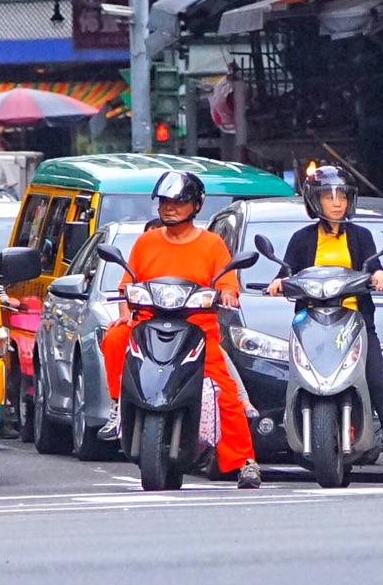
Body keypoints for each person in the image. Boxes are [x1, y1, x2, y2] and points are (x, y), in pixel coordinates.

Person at [98, 171, 261, 490]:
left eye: (179, 201)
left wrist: (226, 294)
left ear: (196, 206)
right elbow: (126, 285)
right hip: (148, 325)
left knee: (225, 389)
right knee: (115, 337)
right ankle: (119, 406)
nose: (170, 207)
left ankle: (245, 461)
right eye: (165, 201)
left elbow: (227, 283)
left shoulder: (212, 245)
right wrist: (123, 314)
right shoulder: (145, 242)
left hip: (197, 330)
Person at [266, 165, 383, 488]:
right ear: (314, 200)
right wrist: (278, 283)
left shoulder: (361, 237)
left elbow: (374, 267)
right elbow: (286, 272)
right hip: (310, 324)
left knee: (381, 387)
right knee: (291, 380)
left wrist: (378, 275)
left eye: (342, 196)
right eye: (328, 196)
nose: (336, 202)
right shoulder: (301, 240)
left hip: (355, 323)